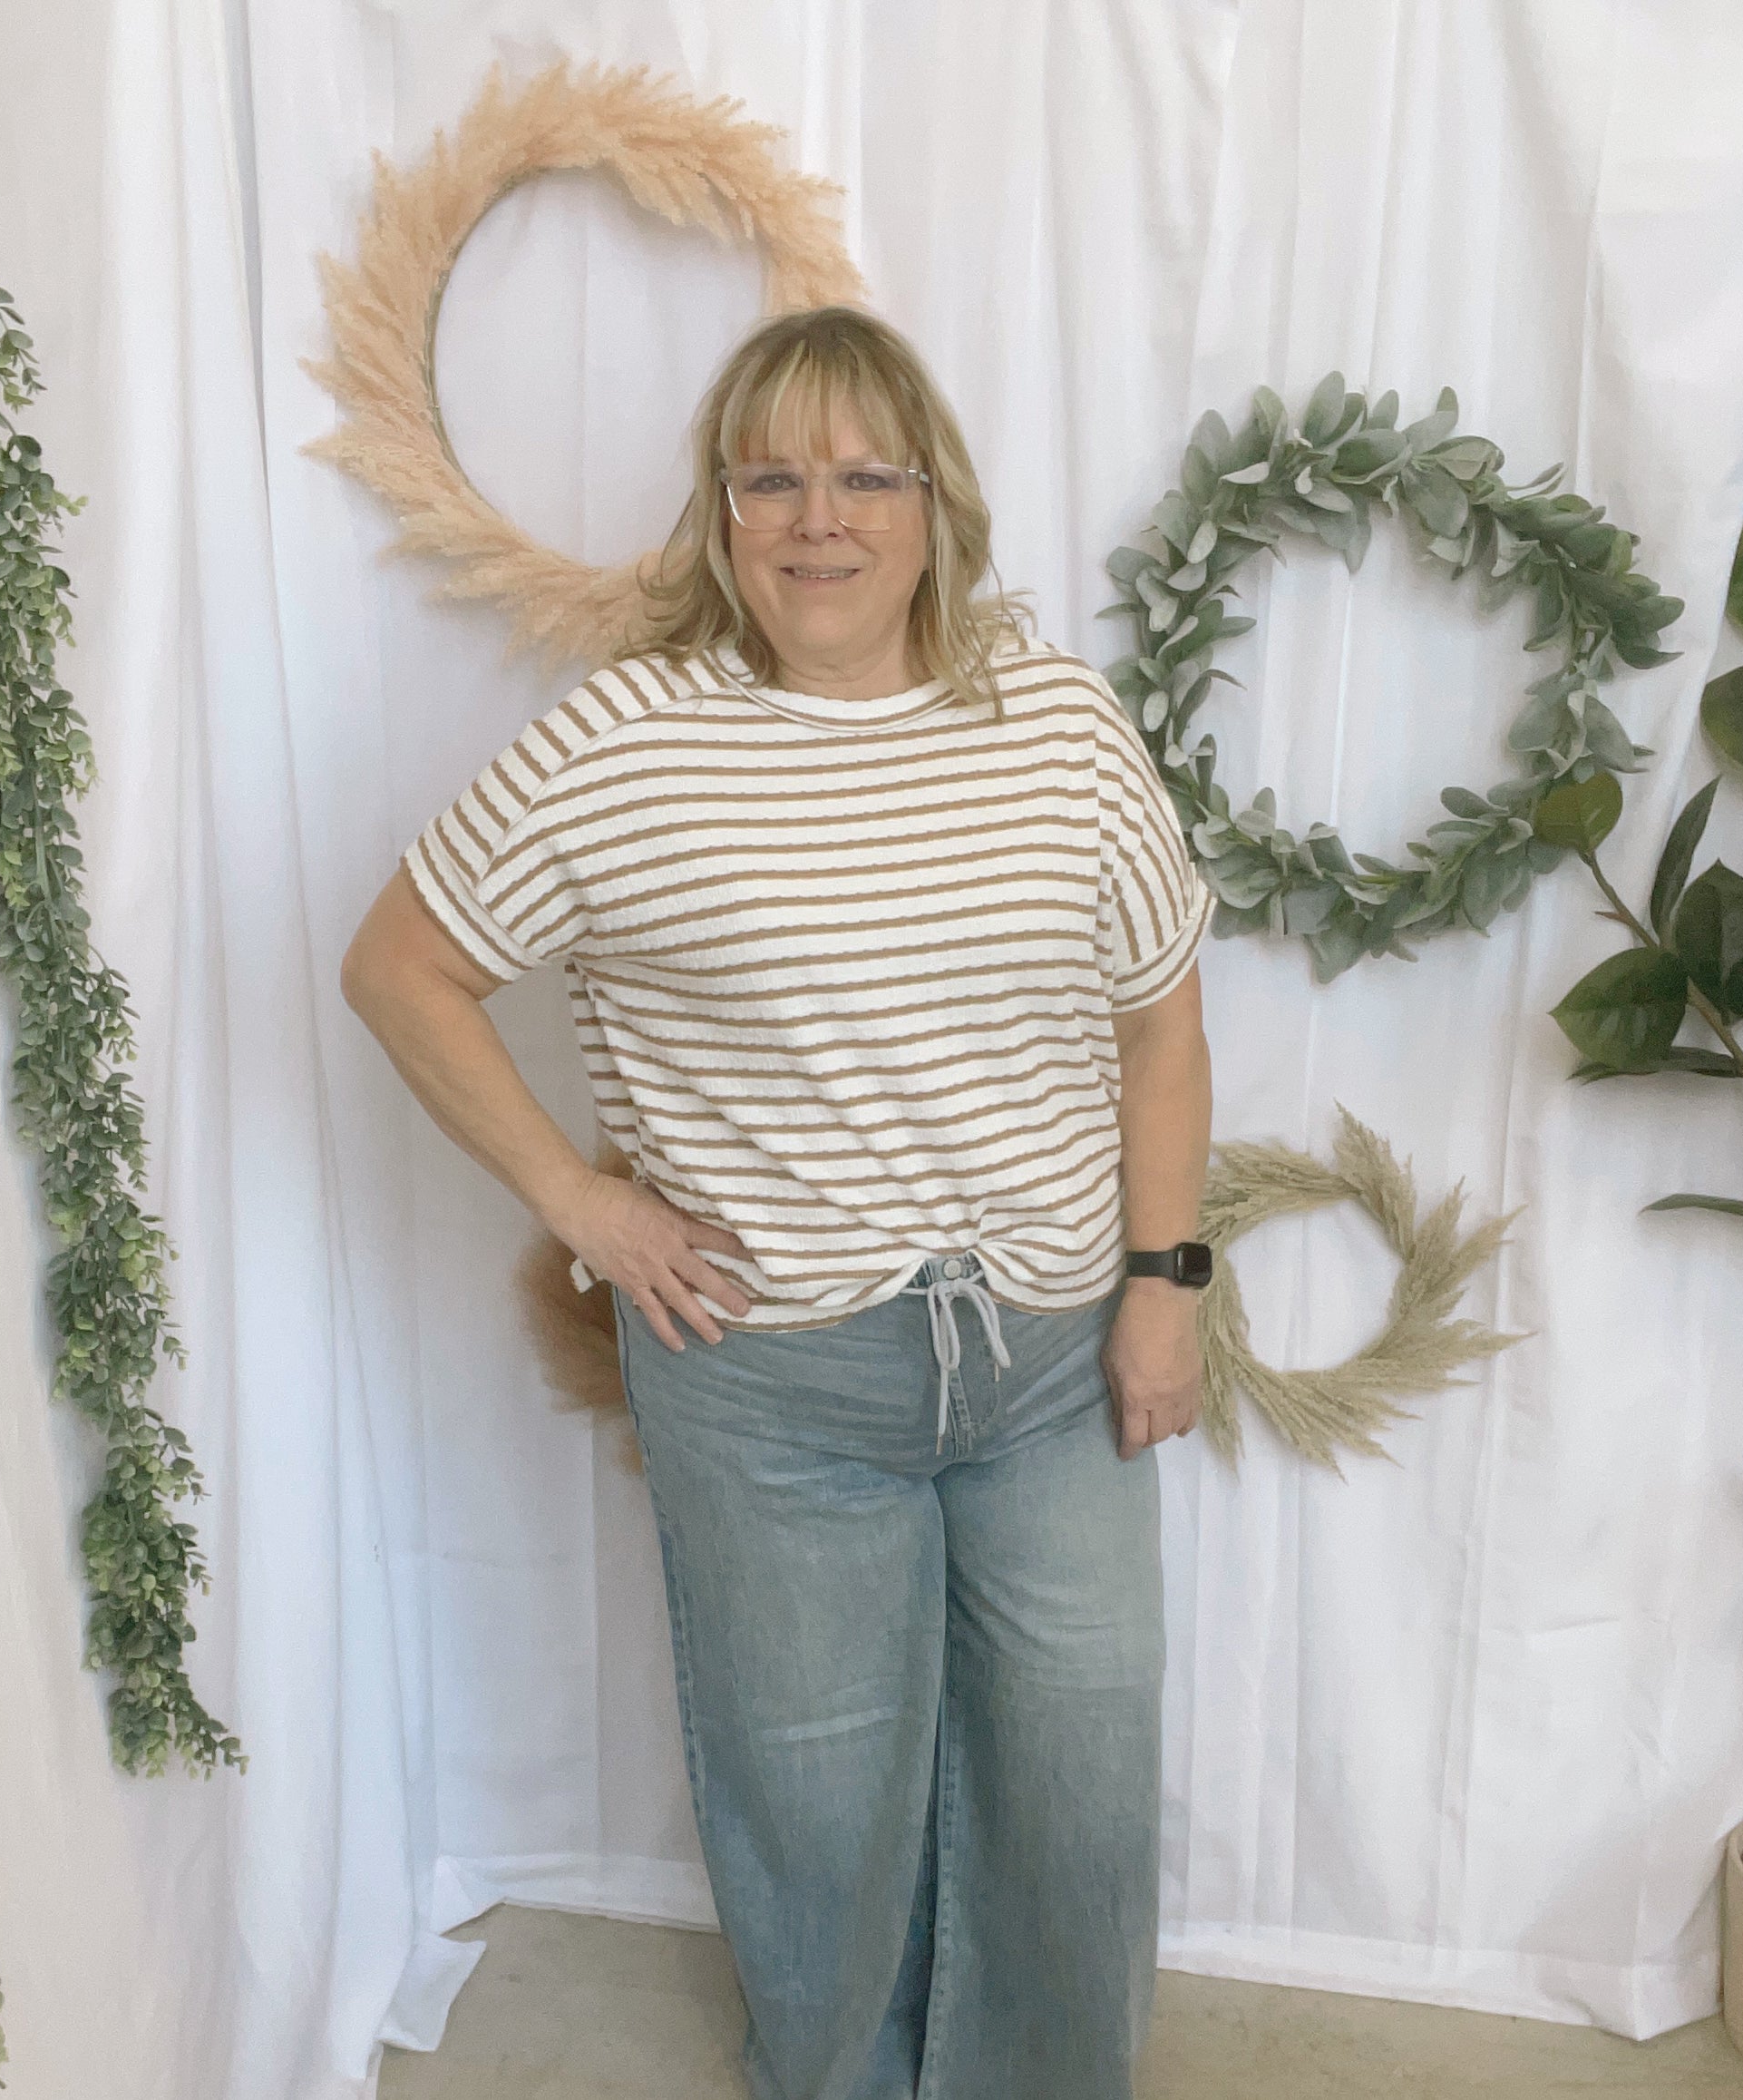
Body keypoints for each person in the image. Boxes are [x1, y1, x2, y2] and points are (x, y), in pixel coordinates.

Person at [341, 305, 1213, 2100]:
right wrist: (583, 1201)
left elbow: (1163, 1015)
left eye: (864, 472)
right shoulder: (624, 744)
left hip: (1054, 1364)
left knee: (1078, 1782)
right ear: (722, 513)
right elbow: (402, 966)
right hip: (774, 1389)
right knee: (817, 1801)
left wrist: (1166, 1282)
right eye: (773, 477)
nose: (821, 518)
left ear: (933, 501)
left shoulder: (1054, 722)